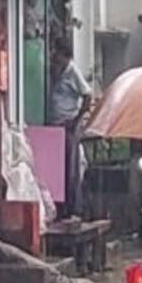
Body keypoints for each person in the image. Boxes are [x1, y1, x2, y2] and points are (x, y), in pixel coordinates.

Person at [49, 45, 94, 218]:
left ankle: (72, 208)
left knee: (70, 167)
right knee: (57, 167)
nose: (55, 58)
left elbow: (87, 95)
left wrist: (76, 121)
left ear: (66, 56)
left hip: (68, 125)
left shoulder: (72, 72)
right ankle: (59, 206)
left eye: (58, 55)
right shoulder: (55, 72)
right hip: (55, 124)